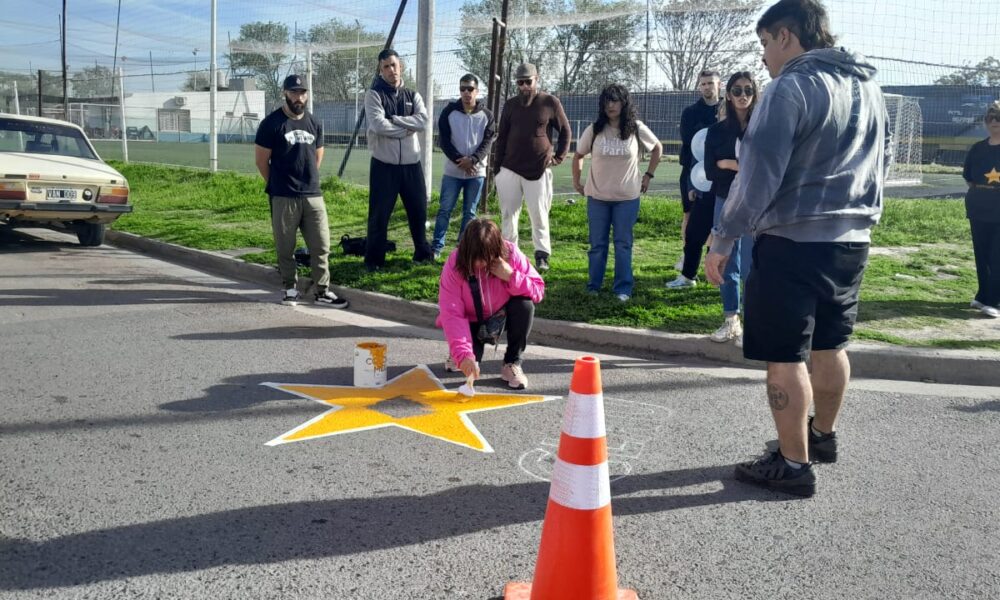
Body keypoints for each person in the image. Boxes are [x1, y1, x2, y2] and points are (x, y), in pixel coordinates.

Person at [705, 0, 891, 497]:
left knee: (784, 352)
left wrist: (723, 238)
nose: (764, 56)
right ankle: (822, 437)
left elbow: (758, 175)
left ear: (786, 36)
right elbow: (882, 160)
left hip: (793, 238)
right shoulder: (869, 86)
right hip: (852, 238)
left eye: (766, 43)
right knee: (832, 342)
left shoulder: (791, 86)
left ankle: (792, 463)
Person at [254, 74, 349, 309]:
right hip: (284, 196)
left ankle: (323, 291)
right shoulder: (271, 124)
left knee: (321, 245)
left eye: (303, 92)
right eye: (294, 92)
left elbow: (317, 156)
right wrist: (278, 183)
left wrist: (306, 180)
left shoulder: (314, 123)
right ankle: (290, 288)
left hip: (312, 195)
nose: (299, 97)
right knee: (286, 246)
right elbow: (261, 161)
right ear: (285, 93)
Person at [572, 84, 663, 302]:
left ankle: (623, 288)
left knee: (623, 244)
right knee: (597, 245)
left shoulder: (636, 128)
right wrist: (577, 182)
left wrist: (648, 176)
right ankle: (593, 286)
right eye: (606, 101)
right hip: (598, 199)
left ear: (624, 103)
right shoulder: (594, 130)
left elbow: (657, 148)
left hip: (627, 199)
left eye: (615, 100)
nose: (610, 105)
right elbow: (578, 155)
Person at [436, 218, 545, 390]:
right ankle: (458, 352)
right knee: (471, 364)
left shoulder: (511, 253)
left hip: (499, 318)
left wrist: (511, 276)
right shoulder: (455, 263)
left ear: (496, 249)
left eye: (484, 258)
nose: (479, 264)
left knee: (525, 305)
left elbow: (538, 290)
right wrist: (464, 355)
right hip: (470, 321)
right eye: (474, 258)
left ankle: (511, 363)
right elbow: (452, 313)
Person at [493, 63, 572, 272]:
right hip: (509, 167)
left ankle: (542, 255)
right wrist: (497, 170)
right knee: (508, 214)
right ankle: (510, 253)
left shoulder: (550, 102)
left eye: (528, 81)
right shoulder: (510, 105)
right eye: (520, 82)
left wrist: (559, 157)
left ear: (537, 79)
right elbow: (501, 138)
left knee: (539, 213)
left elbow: (565, 131)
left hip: (538, 169)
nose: (525, 86)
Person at [364, 48, 434, 272]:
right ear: (381, 70)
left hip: (412, 166)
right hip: (384, 167)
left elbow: (423, 122)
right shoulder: (374, 94)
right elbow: (378, 125)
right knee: (379, 215)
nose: (391, 70)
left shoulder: (412, 95)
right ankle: (374, 260)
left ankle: (422, 254)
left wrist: (395, 120)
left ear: (400, 66)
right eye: (386, 67)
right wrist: (406, 128)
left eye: (394, 65)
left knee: (418, 211)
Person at [703, 72, 758, 342]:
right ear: (728, 94)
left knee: (750, 265)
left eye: (748, 90)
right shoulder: (717, 132)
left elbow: (763, 169)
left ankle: (751, 323)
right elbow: (711, 172)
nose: (743, 95)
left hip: (755, 203)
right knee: (726, 262)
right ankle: (730, 320)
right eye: (737, 90)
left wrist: (729, 164)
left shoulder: (761, 128)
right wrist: (736, 166)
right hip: (725, 201)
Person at [432, 74, 497, 260]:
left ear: (477, 91)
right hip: (453, 171)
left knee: (470, 212)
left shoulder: (487, 115)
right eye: (462, 89)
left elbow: (487, 142)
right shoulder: (449, 112)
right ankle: (436, 247)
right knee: (445, 209)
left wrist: (474, 160)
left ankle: (463, 248)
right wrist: (460, 161)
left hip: (476, 172)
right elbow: (443, 140)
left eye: (470, 89)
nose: (466, 93)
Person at [667, 70, 722, 284]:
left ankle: (713, 264)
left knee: (718, 223)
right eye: (703, 84)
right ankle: (688, 261)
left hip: (721, 175)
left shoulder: (728, 109)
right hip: (693, 173)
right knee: (690, 218)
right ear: (699, 87)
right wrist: (692, 180)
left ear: (719, 84)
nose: (707, 87)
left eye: (711, 83)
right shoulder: (690, 112)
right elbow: (691, 147)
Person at [962, 101, 1000, 318]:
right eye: (990, 118)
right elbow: (968, 177)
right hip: (979, 207)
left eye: (998, 118)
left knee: (997, 255)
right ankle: (983, 295)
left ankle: (994, 301)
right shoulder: (978, 148)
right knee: (982, 254)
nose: (994, 122)